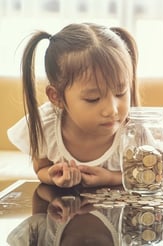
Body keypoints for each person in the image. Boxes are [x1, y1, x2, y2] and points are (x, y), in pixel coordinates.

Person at [7, 23, 139, 188]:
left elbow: (150, 175)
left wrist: (111, 178)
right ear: (57, 97)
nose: (111, 110)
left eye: (120, 93)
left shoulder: (135, 130)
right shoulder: (45, 124)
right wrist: (53, 176)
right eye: (93, 98)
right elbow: (41, 168)